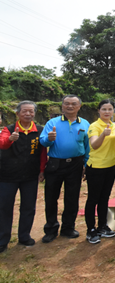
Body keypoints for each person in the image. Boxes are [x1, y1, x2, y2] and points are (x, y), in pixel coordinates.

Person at [39, 95, 90, 243]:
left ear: (79, 106)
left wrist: (86, 164)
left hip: (75, 164)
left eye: (73, 104)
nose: (70, 106)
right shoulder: (52, 123)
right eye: (66, 104)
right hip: (56, 164)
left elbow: (87, 146)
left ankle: (68, 227)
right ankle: (51, 229)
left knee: (72, 197)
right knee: (51, 197)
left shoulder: (84, 123)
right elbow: (43, 142)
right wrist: (49, 138)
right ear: (62, 106)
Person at [0, 101, 46, 253]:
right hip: (8, 176)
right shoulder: (9, 129)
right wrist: (10, 139)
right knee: (4, 208)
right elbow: (2, 144)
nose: (28, 114)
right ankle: (3, 239)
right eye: (24, 111)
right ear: (18, 113)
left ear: (34, 113)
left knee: (28, 207)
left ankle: (24, 236)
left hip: (30, 176)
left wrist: (41, 170)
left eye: (31, 111)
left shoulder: (39, 130)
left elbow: (43, 153)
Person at [85, 100, 115, 244]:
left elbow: (112, 146)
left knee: (105, 198)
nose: (107, 112)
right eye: (104, 109)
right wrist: (103, 134)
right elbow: (95, 145)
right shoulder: (94, 126)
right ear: (98, 111)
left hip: (111, 166)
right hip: (96, 167)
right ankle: (91, 230)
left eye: (110, 109)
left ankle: (102, 226)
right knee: (93, 199)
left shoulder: (113, 125)